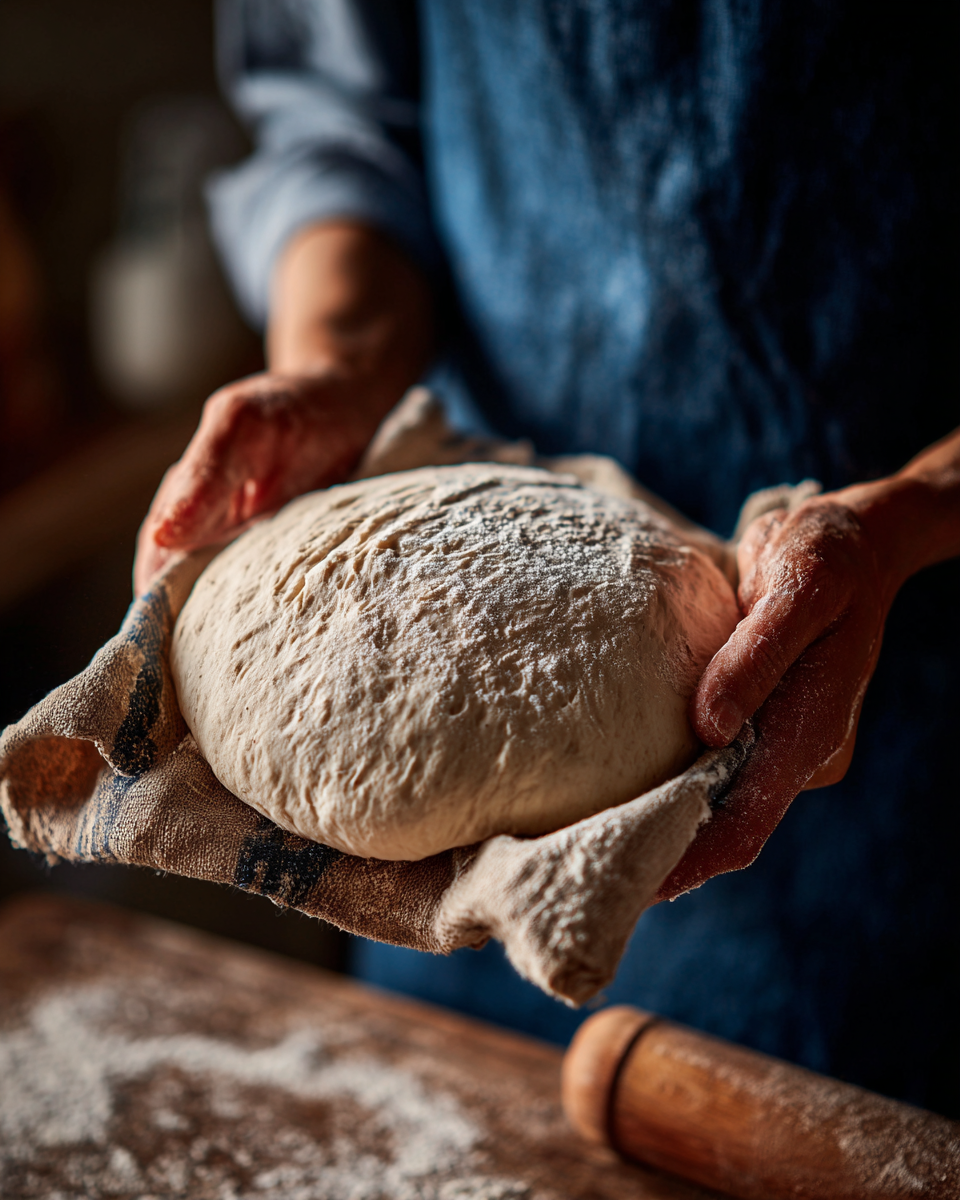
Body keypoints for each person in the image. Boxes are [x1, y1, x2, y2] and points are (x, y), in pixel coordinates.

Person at [135, 2, 960, 1114]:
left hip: (907, 735)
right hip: (446, 583)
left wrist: (912, 512)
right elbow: (341, 127)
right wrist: (334, 370)